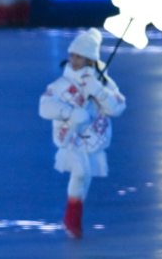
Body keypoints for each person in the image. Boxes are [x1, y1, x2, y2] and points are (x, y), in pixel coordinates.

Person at [39, 28, 126, 239]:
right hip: (71, 139)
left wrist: (99, 91)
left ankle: (72, 219)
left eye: (80, 56)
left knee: (84, 178)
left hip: (92, 140)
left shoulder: (104, 82)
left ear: (91, 59)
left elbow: (117, 108)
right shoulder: (62, 84)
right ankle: (72, 220)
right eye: (73, 55)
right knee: (80, 172)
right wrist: (70, 112)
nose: (74, 60)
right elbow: (45, 106)